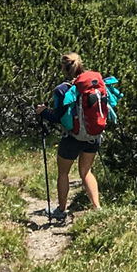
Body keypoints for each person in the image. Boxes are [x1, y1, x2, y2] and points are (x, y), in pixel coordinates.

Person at [35, 51, 113, 220]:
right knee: (86, 171)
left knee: (64, 173)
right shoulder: (94, 83)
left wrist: (43, 112)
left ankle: (61, 210)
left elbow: (56, 116)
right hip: (93, 135)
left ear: (64, 68)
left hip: (72, 137)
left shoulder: (63, 90)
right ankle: (97, 208)